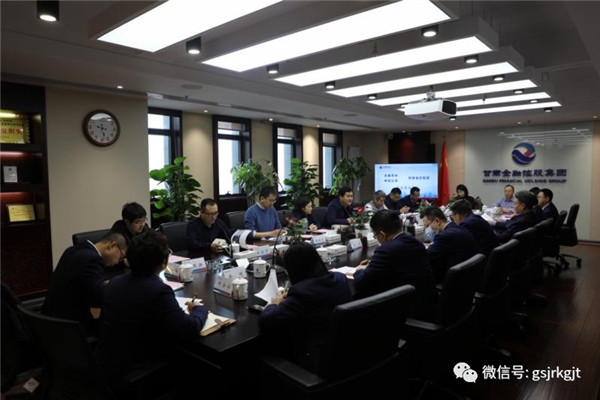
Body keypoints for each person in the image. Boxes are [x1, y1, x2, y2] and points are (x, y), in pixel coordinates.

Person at [96, 231, 208, 389]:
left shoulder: (114, 283)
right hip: (139, 368)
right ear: (164, 262)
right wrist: (200, 310)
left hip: (106, 365)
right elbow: (188, 328)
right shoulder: (159, 291)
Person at [258, 242, 352, 371]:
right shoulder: (340, 278)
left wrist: (274, 303)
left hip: (316, 360)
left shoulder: (301, 293)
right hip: (346, 351)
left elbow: (266, 320)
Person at [353, 210, 437, 320]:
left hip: (404, 312)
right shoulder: (416, 242)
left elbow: (361, 283)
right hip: (427, 303)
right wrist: (374, 265)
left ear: (382, 234)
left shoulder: (385, 250)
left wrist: (359, 270)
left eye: (375, 235)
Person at [42, 231, 128, 337]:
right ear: (112, 246)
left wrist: (101, 285)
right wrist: (115, 285)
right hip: (69, 327)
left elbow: (80, 284)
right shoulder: (93, 259)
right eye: (120, 257)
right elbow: (99, 298)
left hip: (48, 319)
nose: (117, 262)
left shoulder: (72, 250)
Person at [421, 207, 480, 283]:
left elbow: (427, 256)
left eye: (427, 226)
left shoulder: (445, 236)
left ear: (437, 221)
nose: (427, 229)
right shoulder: (456, 227)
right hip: (470, 274)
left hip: (455, 279)